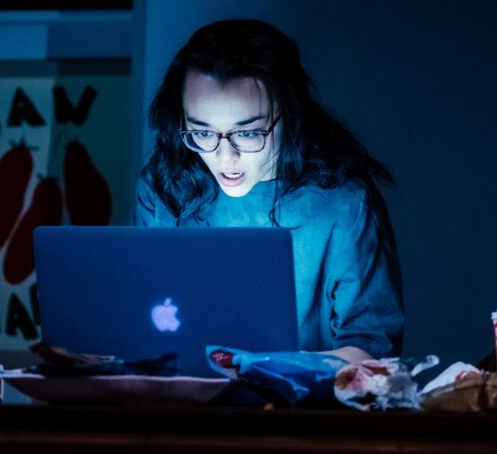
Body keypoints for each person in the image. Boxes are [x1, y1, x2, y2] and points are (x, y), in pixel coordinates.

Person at [135, 19, 404, 362]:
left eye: (248, 134)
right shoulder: (164, 187)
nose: (224, 157)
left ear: (289, 115)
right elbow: (145, 320)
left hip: (298, 411)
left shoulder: (341, 203)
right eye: (202, 133)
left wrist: (264, 369)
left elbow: (373, 347)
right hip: (181, 405)